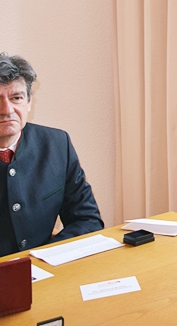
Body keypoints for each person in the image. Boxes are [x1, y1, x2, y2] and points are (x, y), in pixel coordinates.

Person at [0, 53, 103, 257]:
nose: (7, 109)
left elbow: (87, 220)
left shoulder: (57, 144)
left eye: (16, 98)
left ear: (29, 103)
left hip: (45, 272)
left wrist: (46, 257)